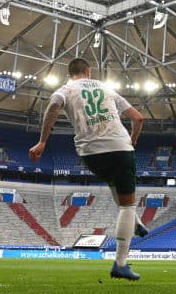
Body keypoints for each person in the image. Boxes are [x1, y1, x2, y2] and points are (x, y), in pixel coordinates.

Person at [29, 57, 146, 281]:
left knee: (113, 181)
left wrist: (43, 141)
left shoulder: (65, 89)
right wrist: (132, 140)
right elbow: (138, 118)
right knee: (127, 206)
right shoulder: (107, 88)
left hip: (89, 154)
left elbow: (53, 107)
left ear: (69, 73)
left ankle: (137, 223)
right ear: (89, 71)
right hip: (119, 148)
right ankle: (121, 264)